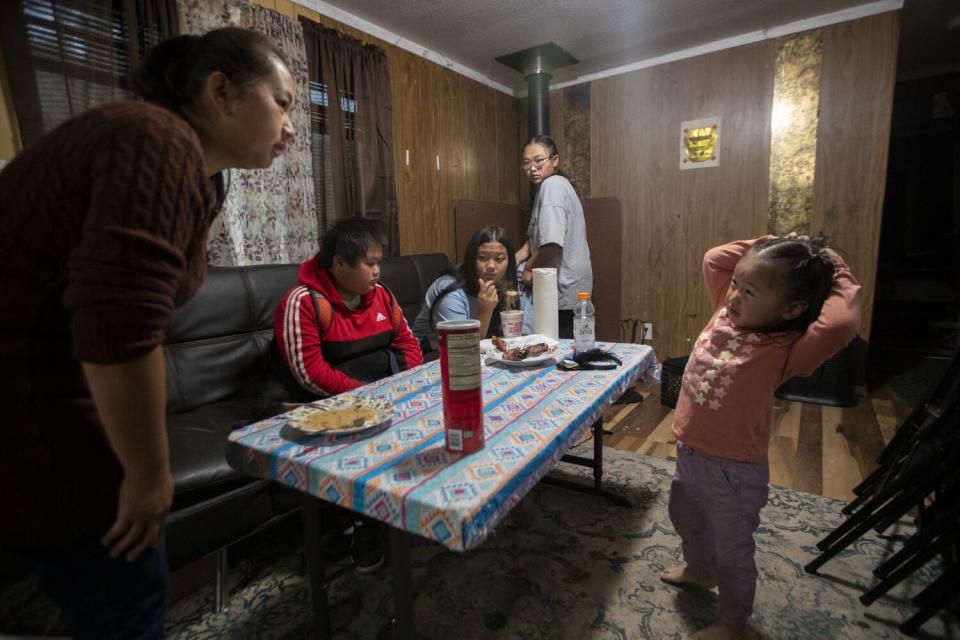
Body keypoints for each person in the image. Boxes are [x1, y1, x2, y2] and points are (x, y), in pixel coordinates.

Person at [0, 28, 295, 639]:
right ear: (221, 92)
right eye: (283, 102)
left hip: (58, 395)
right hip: (32, 401)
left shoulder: (200, 174)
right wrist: (149, 471)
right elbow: (119, 325)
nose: (291, 127)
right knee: (127, 595)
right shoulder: (153, 139)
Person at [660, 233, 862, 640]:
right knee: (685, 517)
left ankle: (733, 622)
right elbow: (714, 257)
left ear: (792, 309)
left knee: (732, 550)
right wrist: (781, 241)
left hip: (734, 470)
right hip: (690, 451)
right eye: (736, 283)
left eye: (749, 290)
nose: (734, 295)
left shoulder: (787, 347)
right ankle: (700, 571)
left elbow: (843, 320)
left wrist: (830, 263)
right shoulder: (724, 310)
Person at [273, 216, 422, 573]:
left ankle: (400, 507)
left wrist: (407, 385)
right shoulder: (304, 302)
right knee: (352, 445)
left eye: (379, 262)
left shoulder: (381, 295)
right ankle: (354, 526)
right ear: (339, 262)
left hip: (382, 391)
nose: (377, 271)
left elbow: (408, 341)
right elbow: (308, 371)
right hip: (329, 404)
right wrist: (368, 399)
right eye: (370, 263)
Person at [515, 134, 592, 339]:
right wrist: (513, 259)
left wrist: (530, 267)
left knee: (562, 352)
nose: (532, 167)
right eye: (526, 163)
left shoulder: (552, 186)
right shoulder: (555, 186)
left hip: (562, 289)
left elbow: (551, 243)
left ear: (554, 160)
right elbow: (534, 238)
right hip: (573, 289)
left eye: (539, 160)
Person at [412, 225, 517, 348]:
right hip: (429, 353)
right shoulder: (450, 289)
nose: (491, 266)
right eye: (482, 258)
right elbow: (464, 346)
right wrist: (485, 309)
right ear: (471, 259)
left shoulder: (502, 285)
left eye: (499, 259)